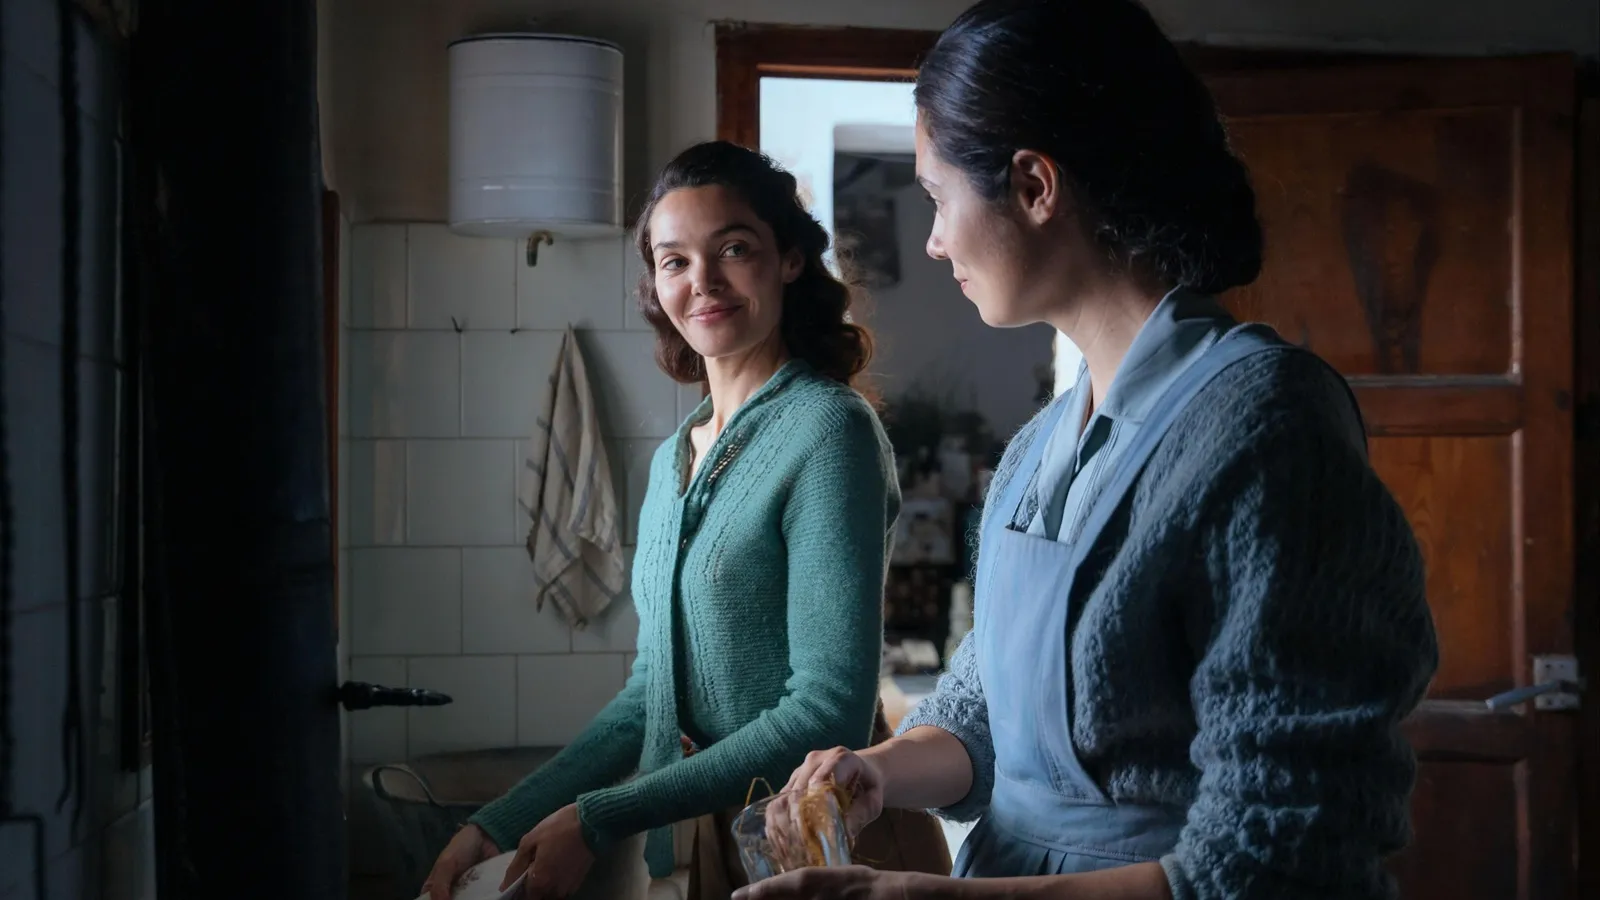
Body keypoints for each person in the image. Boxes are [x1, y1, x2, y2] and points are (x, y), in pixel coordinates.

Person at [743, 2, 1441, 899]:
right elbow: (988, 713)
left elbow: (1284, 847)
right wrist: (882, 769)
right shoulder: (1040, 448)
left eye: (937, 196)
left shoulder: (1268, 424)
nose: (934, 237)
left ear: (1035, 186)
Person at [422, 141, 951, 900]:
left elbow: (825, 710)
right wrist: (496, 824)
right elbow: (651, 697)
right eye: (674, 261)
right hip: (719, 844)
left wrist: (598, 818)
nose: (702, 281)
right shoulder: (676, 460)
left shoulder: (827, 431)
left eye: (733, 248)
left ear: (789, 261)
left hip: (838, 845)